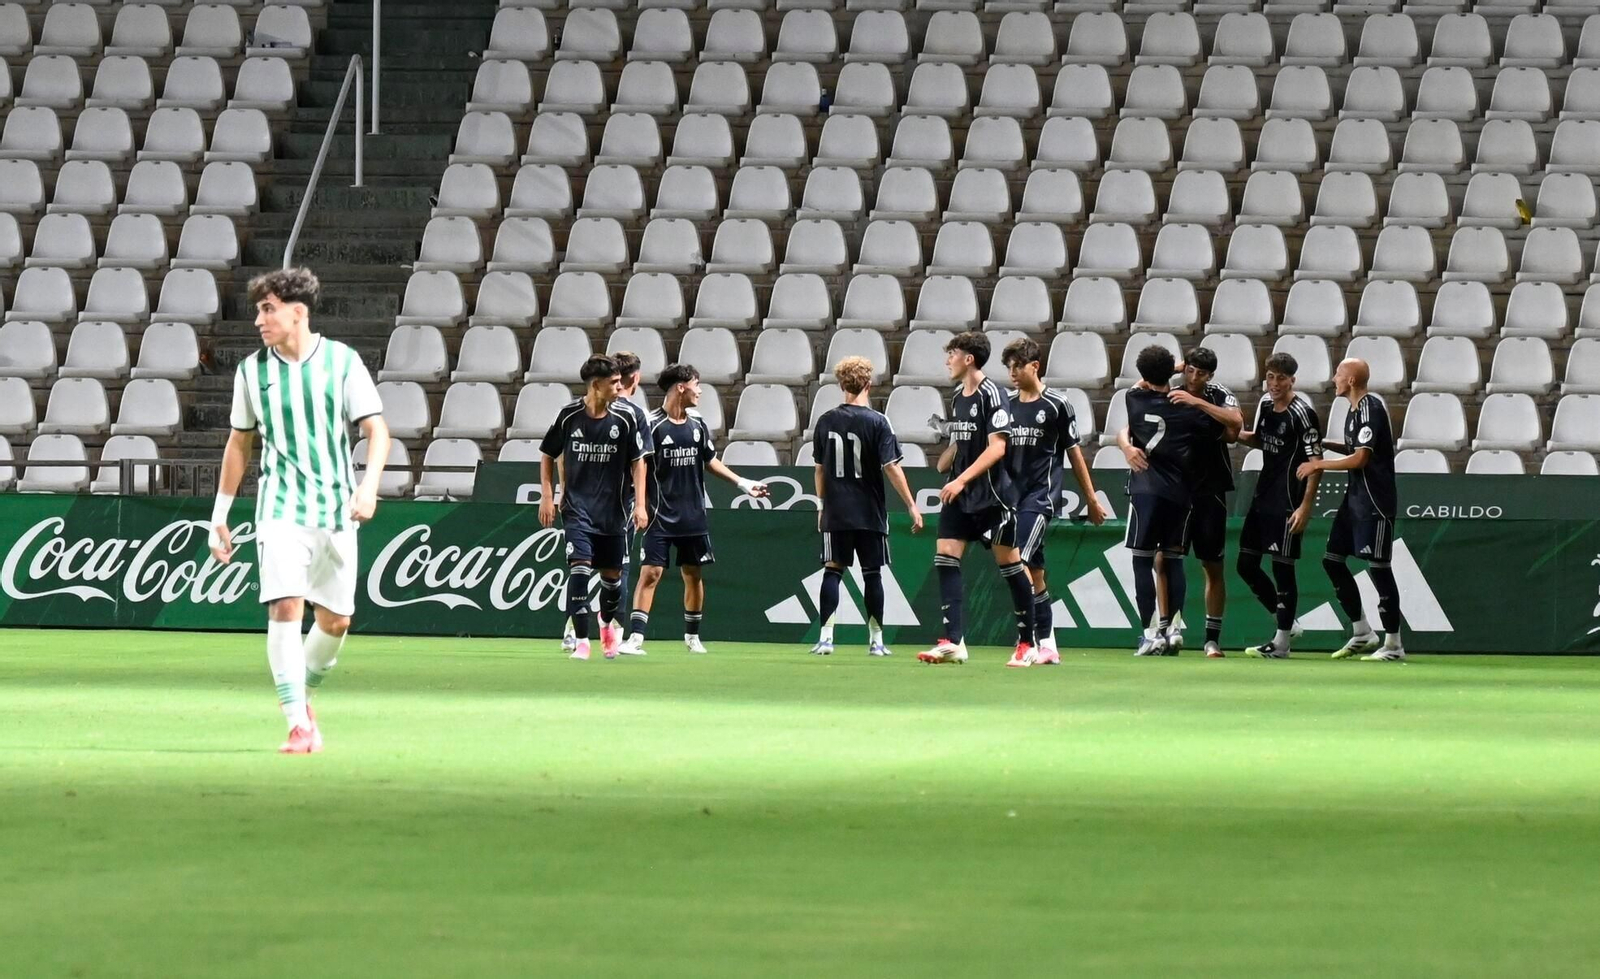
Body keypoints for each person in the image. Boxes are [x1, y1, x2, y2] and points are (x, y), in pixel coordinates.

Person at [209, 267, 390, 754]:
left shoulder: (342, 362)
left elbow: (378, 432)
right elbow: (238, 443)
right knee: (285, 605)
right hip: (279, 508)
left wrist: (368, 486)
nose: (259, 321)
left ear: (298, 312)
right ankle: (296, 722)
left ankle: (303, 697)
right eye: (258, 311)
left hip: (335, 509)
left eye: (268, 309)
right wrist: (220, 513)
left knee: (335, 623)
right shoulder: (252, 372)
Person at [622, 363, 770, 655]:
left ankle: (692, 637)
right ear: (681, 387)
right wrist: (639, 505)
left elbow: (709, 460)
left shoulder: (698, 423)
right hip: (659, 516)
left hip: (693, 516)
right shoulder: (651, 425)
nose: (700, 390)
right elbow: (637, 467)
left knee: (693, 574)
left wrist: (742, 483)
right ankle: (637, 638)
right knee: (650, 573)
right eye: (696, 384)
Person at [916, 332, 1037, 666]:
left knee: (1011, 566)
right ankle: (953, 640)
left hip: (993, 496)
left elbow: (998, 446)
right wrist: (950, 456)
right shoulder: (959, 396)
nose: (947, 360)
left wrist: (960, 478)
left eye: (952, 354)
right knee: (945, 556)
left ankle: (1028, 643)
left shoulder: (992, 394)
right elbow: (965, 439)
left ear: (968, 358)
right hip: (962, 495)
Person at [999, 337, 1106, 668]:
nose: (1013, 373)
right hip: (1009, 500)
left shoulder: (1057, 405)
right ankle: (1048, 644)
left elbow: (1074, 453)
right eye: (1009, 367)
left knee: (1018, 563)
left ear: (1035, 365)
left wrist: (1091, 497)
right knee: (1036, 573)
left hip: (1040, 498)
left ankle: (1026, 642)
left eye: (1018, 366)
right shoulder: (1005, 407)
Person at [810, 356, 923, 656]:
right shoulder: (878, 421)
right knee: (872, 574)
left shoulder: (825, 421)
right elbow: (891, 466)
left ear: (841, 384)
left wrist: (822, 504)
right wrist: (911, 504)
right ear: (869, 384)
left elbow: (819, 469)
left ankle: (825, 639)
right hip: (869, 510)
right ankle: (876, 641)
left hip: (836, 510)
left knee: (832, 571)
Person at [540, 355, 650, 661]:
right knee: (579, 568)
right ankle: (582, 641)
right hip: (577, 509)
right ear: (596, 385)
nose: (620, 387)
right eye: (614, 383)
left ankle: (605, 622)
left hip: (614, 512)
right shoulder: (569, 415)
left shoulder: (626, 419)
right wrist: (548, 495)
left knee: (612, 580)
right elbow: (548, 454)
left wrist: (640, 505)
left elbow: (639, 462)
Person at [1117, 345, 1223, 656]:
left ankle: (1150, 633)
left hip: (1146, 490)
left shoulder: (1133, 399)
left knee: (1142, 560)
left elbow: (1140, 384)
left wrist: (1172, 368)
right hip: (1181, 493)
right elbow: (1222, 431)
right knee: (1173, 560)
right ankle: (1173, 628)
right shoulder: (1189, 408)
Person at [1299, 358, 1405, 661]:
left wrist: (1318, 463)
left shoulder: (1370, 408)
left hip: (1376, 501)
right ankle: (1362, 631)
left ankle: (1394, 644)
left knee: (1379, 568)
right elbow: (1354, 448)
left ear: (1352, 381)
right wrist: (1327, 444)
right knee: (1332, 560)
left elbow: (1361, 459)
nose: (1334, 379)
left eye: (1339, 374)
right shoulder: (1353, 411)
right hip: (1354, 500)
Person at [1235, 353, 1322, 659]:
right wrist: (1229, 433)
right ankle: (1287, 625)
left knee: (1282, 569)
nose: (1274, 384)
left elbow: (1316, 463)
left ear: (1292, 381)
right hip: (1263, 496)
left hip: (1288, 499)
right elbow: (1260, 440)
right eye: (1270, 377)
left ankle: (1282, 641)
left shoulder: (1303, 414)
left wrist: (1305, 507)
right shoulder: (1265, 405)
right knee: (1245, 565)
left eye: (1281, 378)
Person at [1161, 347, 1242, 658]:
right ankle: (1169, 629)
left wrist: (1197, 401)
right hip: (1177, 490)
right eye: (1190, 371)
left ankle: (1212, 639)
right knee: (1166, 560)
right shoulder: (1171, 391)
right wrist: (1177, 367)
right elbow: (1143, 384)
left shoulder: (1218, 394)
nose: (1193, 378)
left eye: (1201, 373)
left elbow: (1235, 423)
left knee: (1212, 565)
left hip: (1211, 489)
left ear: (1211, 376)